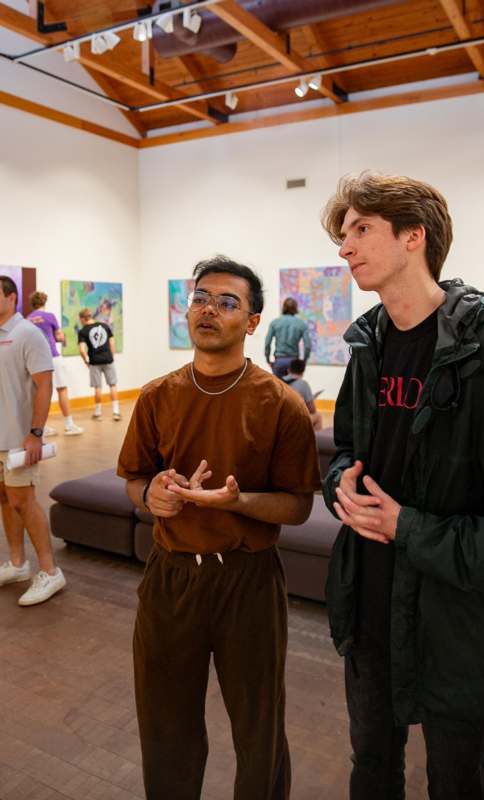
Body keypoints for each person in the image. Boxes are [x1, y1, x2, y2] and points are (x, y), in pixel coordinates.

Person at [320, 171, 484, 800]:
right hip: (370, 607)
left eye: (360, 229)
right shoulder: (368, 347)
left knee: (459, 782)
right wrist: (342, 485)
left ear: (414, 236)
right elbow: (347, 452)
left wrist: (408, 527)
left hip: (458, 622)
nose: (345, 246)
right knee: (372, 768)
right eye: (342, 233)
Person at [117, 255, 320, 800]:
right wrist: (152, 495)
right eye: (201, 298)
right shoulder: (157, 395)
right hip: (170, 579)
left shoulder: (281, 404)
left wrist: (236, 501)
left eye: (228, 302)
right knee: (165, 726)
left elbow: (298, 506)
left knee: (259, 731)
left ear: (253, 322)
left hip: (247, 582)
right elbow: (135, 479)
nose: (209, 310)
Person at [0, 276, 67, 606]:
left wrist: (36, 433)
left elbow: (44, 385)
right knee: (4, 500)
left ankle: (50, 571)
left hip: (19, 438)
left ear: (11, 297)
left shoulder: (26, 333)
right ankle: (16, 563)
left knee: (22, 502)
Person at [26, 291, 83, 436]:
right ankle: (69, 425)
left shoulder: (27, 319)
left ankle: (41, 428)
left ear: (32, 304)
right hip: (52, 357)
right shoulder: (49, 317)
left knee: (40, 393)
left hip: (35, 359)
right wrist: (61, 337)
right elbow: (58, 336)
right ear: (44, 302)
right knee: (62, 389)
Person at [78, 308, 121, 421]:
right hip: (108, 359)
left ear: (82, 318)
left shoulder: (83, 331)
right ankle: (116, 412)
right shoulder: (104, 326)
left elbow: (82, 350)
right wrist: (112, 356)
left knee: (97, 387)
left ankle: (98, 413)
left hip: (94, 361)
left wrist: (86, 361)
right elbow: (112, 342)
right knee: (112, 385)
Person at [265, 297, 311, 378]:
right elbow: (307, 346)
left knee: (278, 389)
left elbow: (267, 343)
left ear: (284, 308)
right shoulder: (301, 324)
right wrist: (304, 361)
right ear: (295, 308)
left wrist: (268, 359)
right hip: (294, 362)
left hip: (279, 361)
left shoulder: (275, 323)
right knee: (292, 389)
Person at [282, 358, 323, 431]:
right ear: (303, 372)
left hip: (279, 420)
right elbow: (312, 409)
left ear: (289, 370)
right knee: (318, 416)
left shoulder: (278, 380)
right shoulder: (303, 384)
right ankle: (315, 441)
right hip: (292, 422)